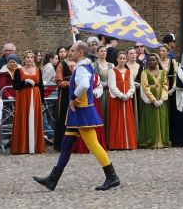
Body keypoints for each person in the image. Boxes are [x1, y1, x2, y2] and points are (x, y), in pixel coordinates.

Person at [34, 41, 120, 191]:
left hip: (82, 112)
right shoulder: (85, 66)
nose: (70, 53)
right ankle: (53, 179)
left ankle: (112, 177)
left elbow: (85, 85)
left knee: (93, 144)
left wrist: (73, 97)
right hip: (79, 113)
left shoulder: (81, 68)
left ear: (80, 53)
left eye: (72, 50)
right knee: (66, 145)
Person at [12, 52, 45, 154]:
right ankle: (23, 146)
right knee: (23, 118)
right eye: (27, 57)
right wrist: (24, 82)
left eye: (31, 57)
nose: (29, 59)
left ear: (34, 59)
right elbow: (15, 86)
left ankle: (35, 146)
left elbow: (41, 86)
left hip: (35, 97)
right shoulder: (18, 70)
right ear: (24, 59)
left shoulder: (38, 70)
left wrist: (42, 100)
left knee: (35, 118)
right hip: (23, 97)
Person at [138, 53, 171, 148]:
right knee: (150, 120)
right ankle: (151, 141)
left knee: (162, 119)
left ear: (157, 61)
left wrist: (162, 99)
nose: (152, 62)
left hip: (161, 99)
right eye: (150, 60)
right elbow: (145, 87)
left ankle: (162, 141)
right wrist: (153, 100)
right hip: (150, 101)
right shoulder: (144, 73)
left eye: (154, 60)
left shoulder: (162, 72)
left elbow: (165, 85)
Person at [106, 51, 137, 151]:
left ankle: (128, 143)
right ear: (117, 59)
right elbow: (112, 86)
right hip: (116, 100)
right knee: (116, 121)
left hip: (126, 100)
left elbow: (132, 86)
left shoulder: (128, 71)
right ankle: (117, 144)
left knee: (127, 120)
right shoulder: (112, 71)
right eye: (120, 58)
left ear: (126, 59)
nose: (122, 60)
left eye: (124, 58)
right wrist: (121, 95)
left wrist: (127, 95)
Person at [53, 46, 72, 150]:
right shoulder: (62, 64)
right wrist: (72, 83)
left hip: (79, 93)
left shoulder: (80, 64)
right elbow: (59, 81)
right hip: (65, 94)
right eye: (71, 50)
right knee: (64, 116)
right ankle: (63, 144)